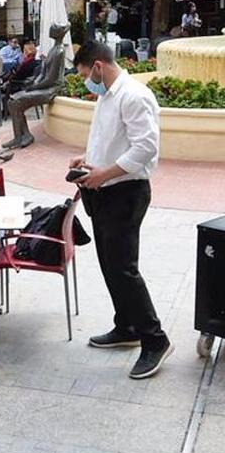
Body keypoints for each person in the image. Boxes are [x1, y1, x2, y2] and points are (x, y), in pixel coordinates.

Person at [70, 41, 170, 379]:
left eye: (85, 74)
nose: (86, 80)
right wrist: (88, 162)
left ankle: (154, 339)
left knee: (123, 268)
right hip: (103, 191)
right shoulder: (107, 95)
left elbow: (145, 148)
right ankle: (126, 324)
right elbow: (110, 140)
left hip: (125, 193)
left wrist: (104, 173)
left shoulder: (134, 95)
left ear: (98, 66)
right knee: (109, 265)